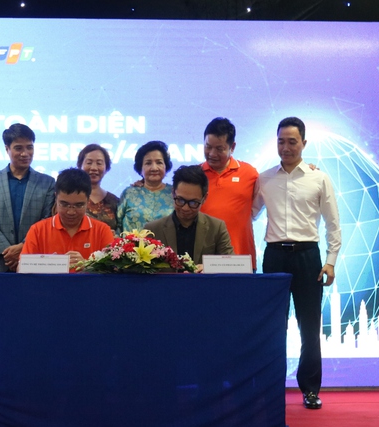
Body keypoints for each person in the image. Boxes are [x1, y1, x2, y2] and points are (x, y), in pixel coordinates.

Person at [252, 117, 341, 410]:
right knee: (272, 327)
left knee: (309, 327)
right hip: (274, 257)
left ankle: (310, 389)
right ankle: (269, 388)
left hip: (308, 257)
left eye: (292, 141)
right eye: (281, 141)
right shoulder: (264, 179)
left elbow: (333, 224)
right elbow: (248, 213)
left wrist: (330, 261)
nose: (286, 147)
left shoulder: (319, 178)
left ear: (304, 143)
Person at [0, 123, 55, 273]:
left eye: (29, 147)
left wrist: (23, 247)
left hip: (33, 260)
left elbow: (47, 221)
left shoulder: (47, 182)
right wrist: (7, 251)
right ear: (7, 149)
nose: (25, 153)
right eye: (18, 148)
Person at [20, 168, 115, 270]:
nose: (71, 212)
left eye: (79, 205)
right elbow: (22, 268)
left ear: (88, 200)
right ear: (56, 198)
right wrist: (50, 265)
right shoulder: (38, 231)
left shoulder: (102, 231)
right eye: (64, 204)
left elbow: (113, 272)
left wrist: (87, 266)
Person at [145, 165, 234, 271]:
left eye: (193, 203)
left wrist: (210, 267)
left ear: (204, 198)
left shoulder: (216, 227)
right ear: (173, 193)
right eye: (180, 200)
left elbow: (232, 264)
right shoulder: (153, 229)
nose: (185, 208)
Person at [199, 117, 259, 270]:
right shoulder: (195, 175)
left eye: (220, 149)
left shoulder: (250, 174)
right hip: (202, 261)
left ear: (232, 147)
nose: (212, 154)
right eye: (208, 147)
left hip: (240, 259)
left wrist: (308, 169)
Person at [116, 140, 174, 234]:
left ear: (166, 166)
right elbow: (118, 226)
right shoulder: (129, 193)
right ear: (140, 168)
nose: (154, 168)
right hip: (130, 244)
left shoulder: (174, 194)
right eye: (148, 163)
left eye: (159, 162)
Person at [77, 144, 120, 231]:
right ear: (80, 166)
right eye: (89, 163)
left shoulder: (114, 201)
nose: (94, 168)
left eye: (99, 163)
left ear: (106, 168)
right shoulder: (71, 197)